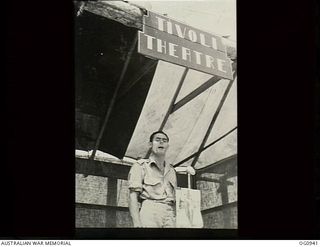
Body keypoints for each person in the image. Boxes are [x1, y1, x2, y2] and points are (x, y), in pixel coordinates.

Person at [128, 130, 177, 228]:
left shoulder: (172, 170)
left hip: (170, 214)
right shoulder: (140, 166)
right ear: (150, 144)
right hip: (150, 212)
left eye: (164, 140)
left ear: (168, 146)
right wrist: (137, 224)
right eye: (157, 140)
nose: (161, 142)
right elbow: (132, 197)